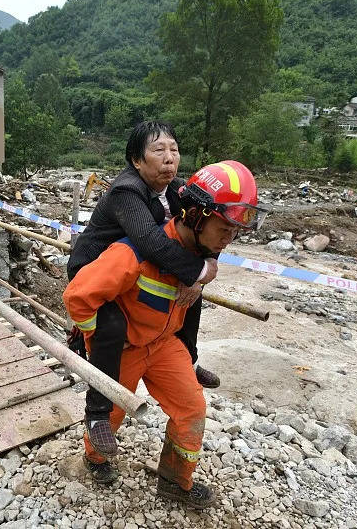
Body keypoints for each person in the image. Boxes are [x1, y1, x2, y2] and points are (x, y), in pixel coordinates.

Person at [63, 160, 267, 508]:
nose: (230, 238)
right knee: (110, 415)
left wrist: (202, 280)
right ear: (196, 216)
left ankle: (175, 481)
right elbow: (78, 297)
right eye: (225, 227)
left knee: (192, 409)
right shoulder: (133, 253)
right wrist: (99, 339)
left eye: (236, 231)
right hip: (125, 349)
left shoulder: (198, 259)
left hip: (164, 345)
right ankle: (95, 459)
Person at [67, 121, 219, 458]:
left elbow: (213, 223)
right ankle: (97, 414)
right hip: (95, 269)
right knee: (112, 327)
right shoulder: (127, 191)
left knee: (190, 297)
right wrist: (201, 269)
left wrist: (205, 267)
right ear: (137, 160)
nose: (169, 158)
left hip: (134, 269)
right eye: (158, 150)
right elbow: (150, 242)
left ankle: (189, 361)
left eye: (174, 150)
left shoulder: (179, 190)